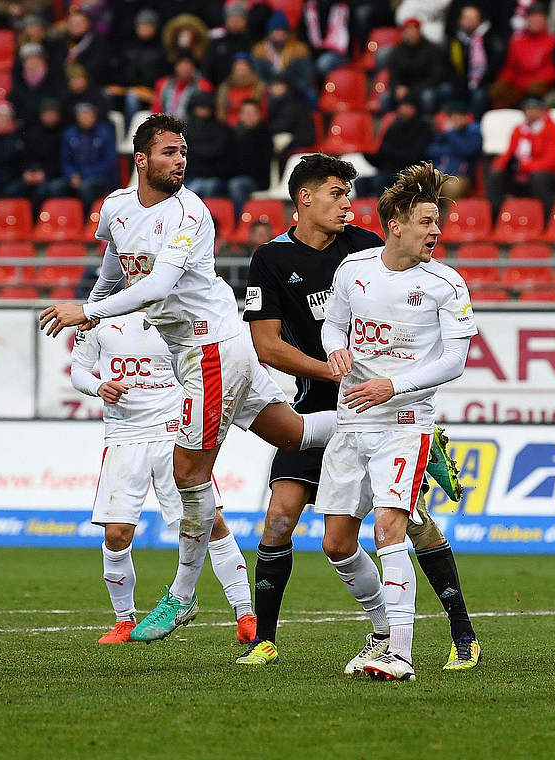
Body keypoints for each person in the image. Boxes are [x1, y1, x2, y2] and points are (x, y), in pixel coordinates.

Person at [38, 113, 340, 644]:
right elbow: (115, 270)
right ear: (141, 159)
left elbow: (156, 286)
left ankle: (180, 596)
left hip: (213, 349)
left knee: (188, 473)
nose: (180, 161)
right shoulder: (115, 209)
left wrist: (85, 313)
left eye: (184, 152)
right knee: (292, 434)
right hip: (217, 351)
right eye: (169, 152)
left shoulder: (191, 212)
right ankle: (384, 425)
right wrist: (96, 302)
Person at [235, 154, 478, 669]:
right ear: (304, 197)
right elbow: (267, 345)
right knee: (292, 522)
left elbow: (439, 351)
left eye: (350, 193)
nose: (348, 203)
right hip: (329, 407)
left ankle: (444, 636)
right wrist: (333, 367)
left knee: (403, 522)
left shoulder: (371, 248)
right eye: (336, 193)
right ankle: (272, 638)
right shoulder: (273, 259)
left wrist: (392, 389)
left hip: (389, 411)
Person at [318, 163, 479, 681]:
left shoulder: (446, 284)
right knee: (337, 543)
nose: (437, 232)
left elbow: (454, 361)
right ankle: (383, 629)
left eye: (438, 222)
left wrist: (396, 385)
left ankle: (400, 654)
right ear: (397, 224)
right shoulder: (353, 270)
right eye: (428, 222)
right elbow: (334, 325)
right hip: (351, 419)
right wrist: (337, 350)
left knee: (391, 527)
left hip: (406, 420)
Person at [71, 311, 256, 645]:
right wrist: (99, 386)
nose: (136, 265)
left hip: (175, 431)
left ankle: (245, 615)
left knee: (211, 522)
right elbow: (78, 371)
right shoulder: (97, 316)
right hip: (124, 434)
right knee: (116, 534)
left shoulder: (176, 312)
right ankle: (124, 622)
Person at [486, 95, 555, 220]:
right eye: (527, 109)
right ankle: (495, 219)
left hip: (551, 175)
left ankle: (546, 220)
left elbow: (554, 161)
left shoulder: (553, 129)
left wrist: (524, 167)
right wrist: (501, 166)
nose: (529, 112)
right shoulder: (519, 129)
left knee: (540, 178)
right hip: (523, 175)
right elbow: (510, 153)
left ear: (542, 110)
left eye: (533, 108)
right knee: (495, 177)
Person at [47, 102, 118, 209]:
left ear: (94, 116)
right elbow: (65, 160)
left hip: (101, 177)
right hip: (76, 176)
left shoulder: (105, 132)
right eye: (81, 115)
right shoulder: (70, 133)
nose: (84, 118)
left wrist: (83, 175)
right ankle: (65, 217)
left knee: (85, 188)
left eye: (87, 114)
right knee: (55, 187)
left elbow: (109, 162)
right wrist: (71, 175)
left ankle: (87, 219)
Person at [489, 3, 555, 110]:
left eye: (539, 19)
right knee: (498, 91)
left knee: (535, 90)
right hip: (519, 84)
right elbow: (510, 67)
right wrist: (502, 81)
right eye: (532, 19)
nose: (535, 22)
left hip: (540, 85)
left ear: (545, 20)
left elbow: (554, 68)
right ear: (527, 20)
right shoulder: (517, 42)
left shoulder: (553, 41)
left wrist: (539, 80)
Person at [358, 96, 430, 198]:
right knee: (360, 182)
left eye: (408, 106)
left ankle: (385, 212)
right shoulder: (394, 127)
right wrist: (366, 153)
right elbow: (380, 158)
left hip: (408, 172)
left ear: (416, 108)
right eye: (403, 106)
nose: (404, 109)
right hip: (387, 170)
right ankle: (366, 213)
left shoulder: (423, 127)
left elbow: (416, 155)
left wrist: (389, 153)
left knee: (380, 181)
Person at [428, 102, 483, 199]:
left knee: (452, 187)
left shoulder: (474, 133)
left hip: (461, 176)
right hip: (441, 174)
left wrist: (451, 134)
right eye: (453, 117)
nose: (456, 120)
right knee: (419, 185)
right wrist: (452, 148)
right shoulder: (443, 135)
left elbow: (467, 151)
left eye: (459, 117)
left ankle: (448, 214)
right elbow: (431, 151)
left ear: (467, 117)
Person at [227, 100, 274, 213]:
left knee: (236, 185)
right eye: (245, 113)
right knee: (209, 186)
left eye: (252, 113)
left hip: (256, 180)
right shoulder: (232, 134)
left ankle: (239, 224)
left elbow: (262, 163)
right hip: (231, 177)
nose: (248, 116)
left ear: (259, 115)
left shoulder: (264, 134)